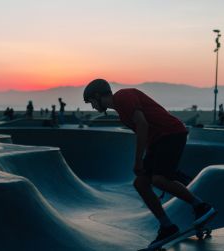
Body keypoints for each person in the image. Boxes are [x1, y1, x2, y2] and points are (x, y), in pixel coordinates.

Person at [83, 79, 216, 247]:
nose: (93, 107)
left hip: (171, 133)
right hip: (157, 142)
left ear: (97, 96)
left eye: (91, 102)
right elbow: (145, 132)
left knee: (159, 179)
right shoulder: (122, 112)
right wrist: (147, 161)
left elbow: (142, 125)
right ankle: (167, 227)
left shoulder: (123, 97)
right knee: (141, 183)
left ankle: (201, 206)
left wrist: (138, 161)